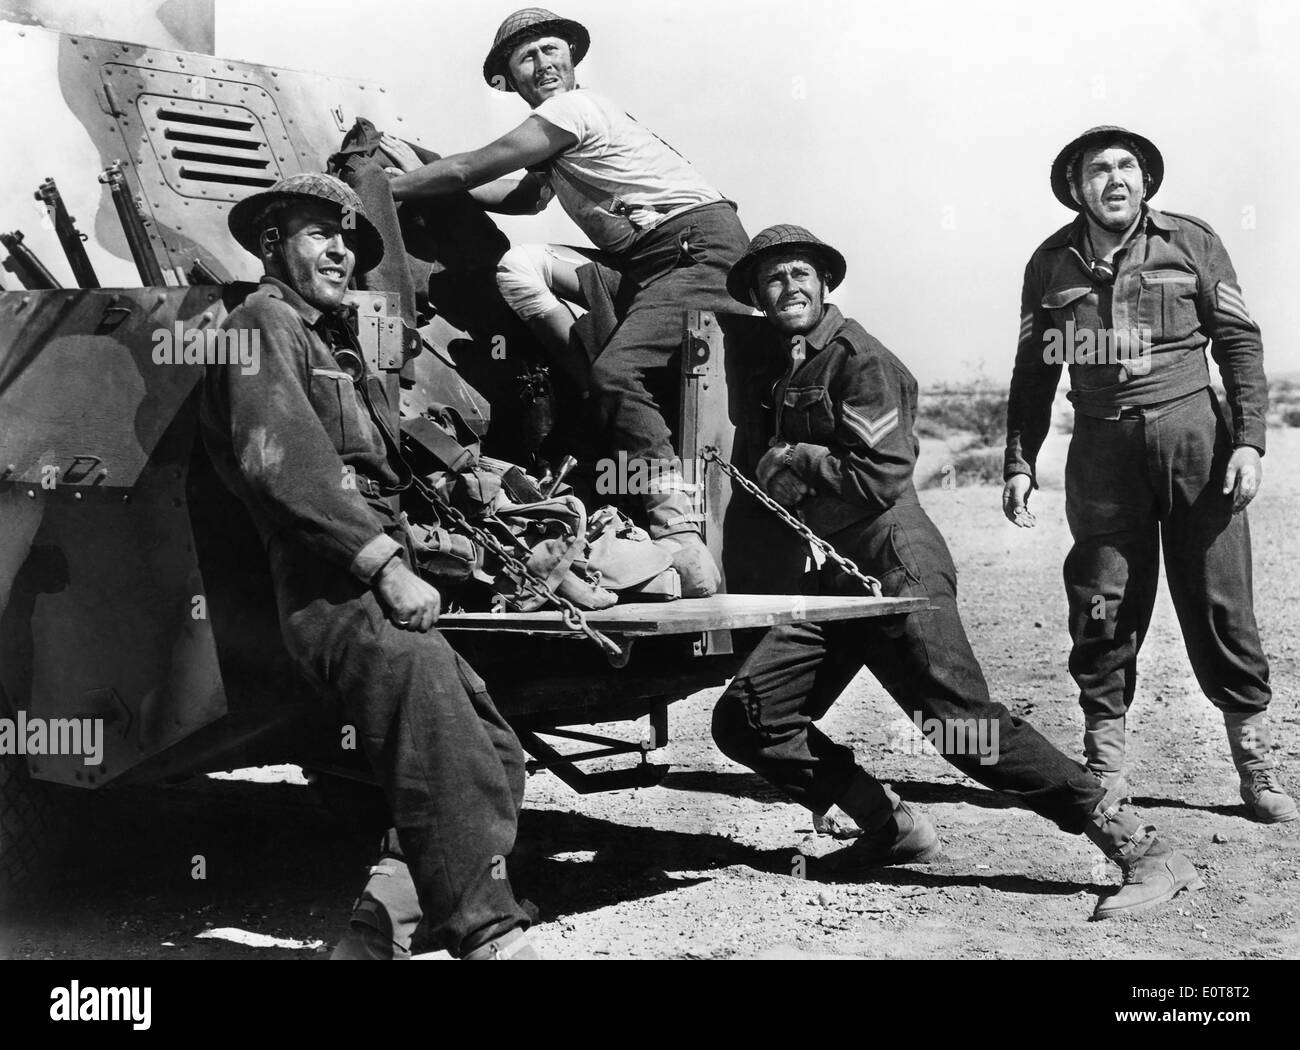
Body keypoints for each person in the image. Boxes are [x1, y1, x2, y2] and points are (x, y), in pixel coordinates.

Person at [710, 224, 1203, 919]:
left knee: (962, 729)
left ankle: (1143, 847)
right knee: (749, 717)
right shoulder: (788, 365)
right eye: (773, 279)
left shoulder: (861, 360)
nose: (789, 287)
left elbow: (880, 473)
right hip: (837, 576)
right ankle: (890, 828)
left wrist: (791, 461)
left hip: (895, 565)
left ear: (824, 285)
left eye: (800, 275)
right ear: (760, 297)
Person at [202, 173, 537, 959]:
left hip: (370, 578)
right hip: (333, 587)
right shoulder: (259, 325)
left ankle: (382, 924)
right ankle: (488, 933)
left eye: (346, 237)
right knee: (444, 744)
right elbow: (282, 467)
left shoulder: (328, 341)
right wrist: (386, 564)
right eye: (319, 233)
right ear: (272, 244)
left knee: (493, 748)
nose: (339, 250)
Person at [378, 7, 749, 597]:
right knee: (520, 266)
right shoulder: (555, 142)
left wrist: (380, 186)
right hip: (649, 263)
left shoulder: (573, 110)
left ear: (572, 59)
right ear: (511, 79)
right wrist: (424, 163)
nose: (543, 64)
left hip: (697, 252)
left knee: (620, 372)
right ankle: (590, 389)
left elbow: (475, 167)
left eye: (551, 51)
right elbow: (517, 198)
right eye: (527, 58)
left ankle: (674, 524)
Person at [1002, 126, 1296, 823]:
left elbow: (1239, 343)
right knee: (1101, 604)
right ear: (1076, 187)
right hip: (1103, 455)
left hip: (1197, 443)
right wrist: (1020, 460)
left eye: (1126, 166)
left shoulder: (1192, 241)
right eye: (1097, 170)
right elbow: (1033, 372)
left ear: (1146, 180)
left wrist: (1249, 442)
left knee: (1222, 602)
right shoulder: (1050, 263)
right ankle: (1106, 764)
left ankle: (1255, 764)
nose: (1114, 179)